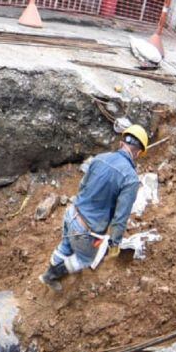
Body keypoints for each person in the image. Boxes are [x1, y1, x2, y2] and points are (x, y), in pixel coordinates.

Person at [39, 125, 148, 293]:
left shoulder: (100, 158)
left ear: (121, 143)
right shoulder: (130, 178)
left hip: (71, 213)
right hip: (84, 228)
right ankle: (51, 275)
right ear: (138, 153)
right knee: (84, 259)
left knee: (66, 245)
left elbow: (82, 185)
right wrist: (115, 243)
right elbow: (121, 217)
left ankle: (52, 267)